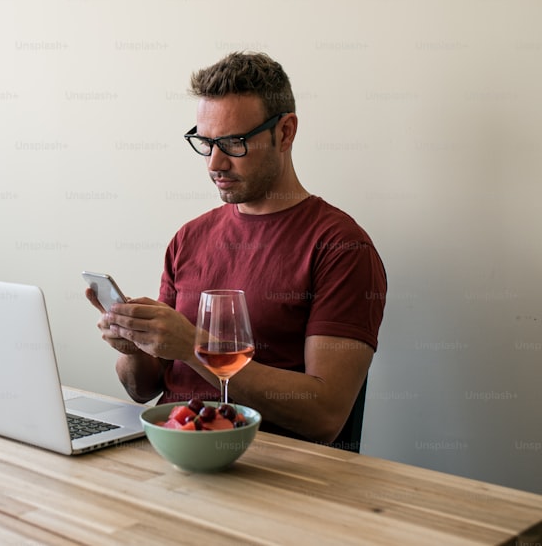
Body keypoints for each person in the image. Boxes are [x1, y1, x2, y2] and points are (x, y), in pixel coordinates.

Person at [88, 52, 387, 445]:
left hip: (265, 469)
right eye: (206, 142)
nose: (215, 163)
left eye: (233, 143)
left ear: (285, 132)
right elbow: (143, 390)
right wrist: (135, 347)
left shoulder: (341, 247)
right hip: (168, 448)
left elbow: (325, 416)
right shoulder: (189, 238)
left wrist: (195, 347)